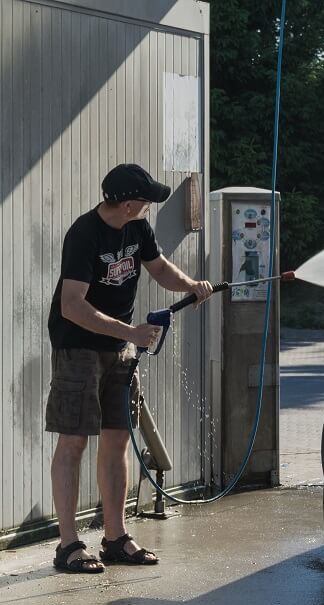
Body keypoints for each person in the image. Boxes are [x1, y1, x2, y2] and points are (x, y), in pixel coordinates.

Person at [46, 164, 213, 573]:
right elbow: (72, 305)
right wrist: (132, 332)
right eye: (145, 200)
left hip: (120, 347)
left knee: (118, 439)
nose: (148, 206)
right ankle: (68, 545)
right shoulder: (84, 234)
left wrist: (191, 285)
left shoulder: (138, 230)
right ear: (127, 202)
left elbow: (158, 268)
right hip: (79, 347)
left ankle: (115, 538)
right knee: (74, 443)